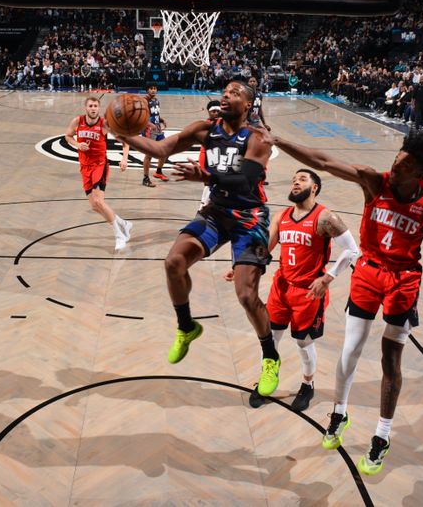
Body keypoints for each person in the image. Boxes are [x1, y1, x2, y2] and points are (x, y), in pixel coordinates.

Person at [257, 128, 423, 475]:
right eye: (397, 156)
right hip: (368, 272)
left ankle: (382, 435)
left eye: (405, 164)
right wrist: (281, 142)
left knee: (390, 357)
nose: (395, 164)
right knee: (350, 349)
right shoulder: (373, 182)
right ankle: (339, 413)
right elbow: (324, 161)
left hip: (404, 278)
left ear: (420, 172)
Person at [116, 81, 281, 397]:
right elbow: (162, 149)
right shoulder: (205, 130)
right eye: (225, 91)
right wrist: (125, 136)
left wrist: (208, 176)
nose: (226, 95)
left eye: (234, 92)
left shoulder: (258, 138)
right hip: (217, 211)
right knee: (174, 261)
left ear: (248, 105)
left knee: (246, 295)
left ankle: (270, 357)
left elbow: (246, 180)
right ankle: (186, 326)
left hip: (250, 217)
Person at [232, 169, 359, 411]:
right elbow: (265, 249)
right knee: (269, 338)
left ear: (315, 188)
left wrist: (327, 277)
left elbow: (352, 250)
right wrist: (243, 266)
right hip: (281, 288)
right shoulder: (282, 216)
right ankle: (267, 379)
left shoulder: (326, 218)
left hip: (309, 292)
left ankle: (307, 385)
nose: (295, 183)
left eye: (302, 179)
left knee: (303, 344)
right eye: (293, 180)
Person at [64, 97, 133, 251]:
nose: (93, 108)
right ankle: (124, 224)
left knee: (99, 202)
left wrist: (124, 159)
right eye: (90, 106)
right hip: (84, 166)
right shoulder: (77, 122)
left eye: (95, 106)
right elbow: (67, 136)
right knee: (95, 206)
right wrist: (77, 144)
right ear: (86, 108)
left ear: (99, 108)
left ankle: (119, 235)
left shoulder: (104, 124)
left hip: (99, 165)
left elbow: (125, 141)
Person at [140, 85, 168, 187]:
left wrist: (161, 119)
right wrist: (149, 124)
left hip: (157, 129)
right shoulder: (144, 101)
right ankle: (145, 178)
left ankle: (158, 172)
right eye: (151, 88)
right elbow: (141, 116)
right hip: (149, 130)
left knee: (165, 151)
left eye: (155, 88)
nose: (153, 90)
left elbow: (155, 115)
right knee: (149, 155)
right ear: (147, 90)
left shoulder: (156, 100)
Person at [198, 100, 221, 209]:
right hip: (208, 156)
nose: (216, 113)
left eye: (218, 111)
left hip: (220, 157)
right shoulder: (205, 125)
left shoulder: (224, 123)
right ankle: (203, 207)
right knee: (208, 183)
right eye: (213, 111)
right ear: (208, 112)